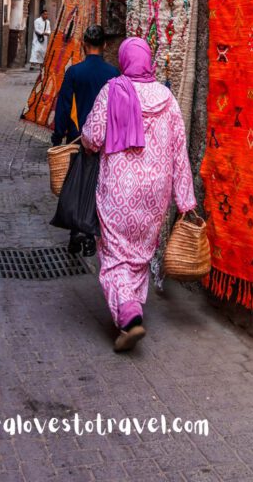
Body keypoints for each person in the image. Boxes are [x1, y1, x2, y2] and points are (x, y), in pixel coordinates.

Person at [81, 37, 197, 353]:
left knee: (116, 254)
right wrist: (185, 201)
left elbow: (91, 137)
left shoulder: (112, 91)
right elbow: (179, 152)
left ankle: (129, 314)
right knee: (140, 253)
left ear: (123, 60)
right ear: (148, 61)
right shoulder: (167, 98)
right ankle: (131, 307)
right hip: (155, 194)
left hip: (119, 190)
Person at [51, 24, 118, 256]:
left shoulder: (74, 72)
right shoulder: (113, 75)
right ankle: (91, 235)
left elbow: (64, 106)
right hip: (105, 141)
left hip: (77, 137)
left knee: (77, 186)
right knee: (98, 187)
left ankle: (75, 234)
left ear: (83, 44)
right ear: (105, 45)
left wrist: (57, 136)